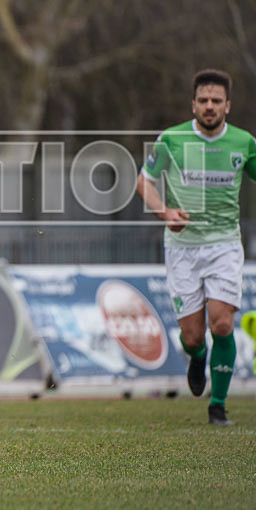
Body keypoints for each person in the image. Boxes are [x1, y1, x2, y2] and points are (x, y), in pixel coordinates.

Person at [136, 69, 256, 426]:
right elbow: (144, 182)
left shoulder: (244, 142)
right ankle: (198, 354)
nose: (209, 106)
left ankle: (218, 405)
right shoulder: (171, 140)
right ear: (193, 104)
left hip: (224, 245)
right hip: (182, 248)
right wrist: (164, 212)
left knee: (222, 324)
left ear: (227, 106)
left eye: (216, 100)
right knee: (191, 335)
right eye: (203, 100)